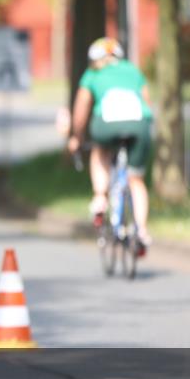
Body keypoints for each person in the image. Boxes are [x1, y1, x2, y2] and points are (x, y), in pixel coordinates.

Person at [67, 37, 153, 249]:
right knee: (136, 180)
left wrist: (76, 137)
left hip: (106, 124)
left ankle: (99, 198)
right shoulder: (133, 70)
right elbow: (147, 101)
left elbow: (81, 109)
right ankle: (141, 230)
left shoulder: (93, 73)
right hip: (138, 124)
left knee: (100, 150)